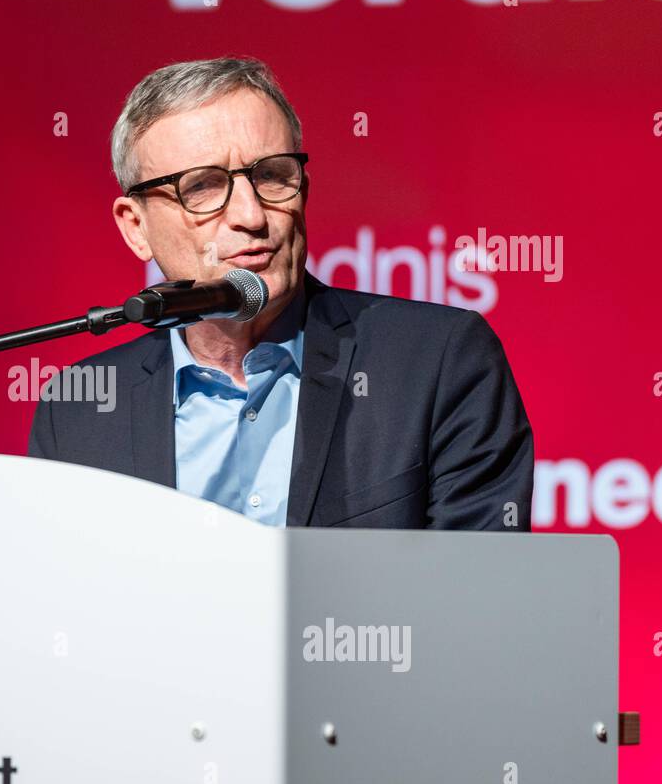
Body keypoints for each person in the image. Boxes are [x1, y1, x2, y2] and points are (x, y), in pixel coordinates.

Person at [27, 56, 533, 530]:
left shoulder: (436, 362)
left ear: (304, 190)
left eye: (272, 176)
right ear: (135, 226)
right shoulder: (80, 408)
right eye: (201, 187)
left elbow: (476, 597)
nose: (251, 216)